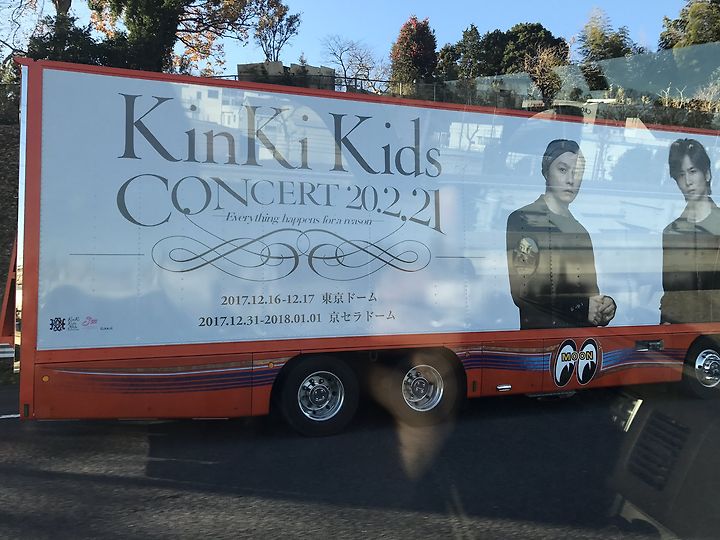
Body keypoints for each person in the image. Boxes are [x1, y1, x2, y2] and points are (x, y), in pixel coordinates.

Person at [506, 139, 616, 329]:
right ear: (546, 171)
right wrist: (582, 308)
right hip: (543, 340)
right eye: (563, 170)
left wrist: (605, 307)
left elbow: (591, 293)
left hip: (581, 342)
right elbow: (524, 292)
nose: (571, 179)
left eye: (578, 172)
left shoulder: (581, 232)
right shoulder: (524, 219)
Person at [661, 138, 720, 323]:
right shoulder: (671, 232)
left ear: (707, 174)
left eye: (693, 171)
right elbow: (670, 294)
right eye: (681, 174)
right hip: (682, 330)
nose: (688, 181)